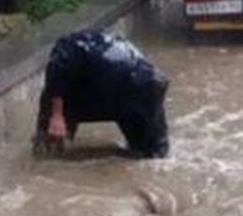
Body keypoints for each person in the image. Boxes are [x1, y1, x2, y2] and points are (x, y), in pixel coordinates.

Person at [36, 29, 170, 158]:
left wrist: (57, 116)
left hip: (120, 90)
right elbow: (56, 73)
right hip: (129, 90)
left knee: (49, 143)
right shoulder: (147, 75)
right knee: (153, 154)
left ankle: (50, 151)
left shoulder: (67, 48)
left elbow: (55, 73)